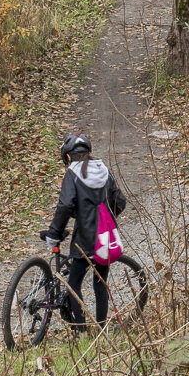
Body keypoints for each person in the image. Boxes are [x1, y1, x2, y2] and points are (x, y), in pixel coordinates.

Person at [40, 133, 127, 332]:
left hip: (84, 239)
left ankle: (81, 331)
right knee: (100, 282)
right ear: (89, 152)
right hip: (104, 238)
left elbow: (64, 205)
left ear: (68, 157)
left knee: (73, 284)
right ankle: (102, 328)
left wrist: (54, 233)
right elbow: (119, 202)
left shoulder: (72, 174)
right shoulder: (104, 171)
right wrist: (104, 218)